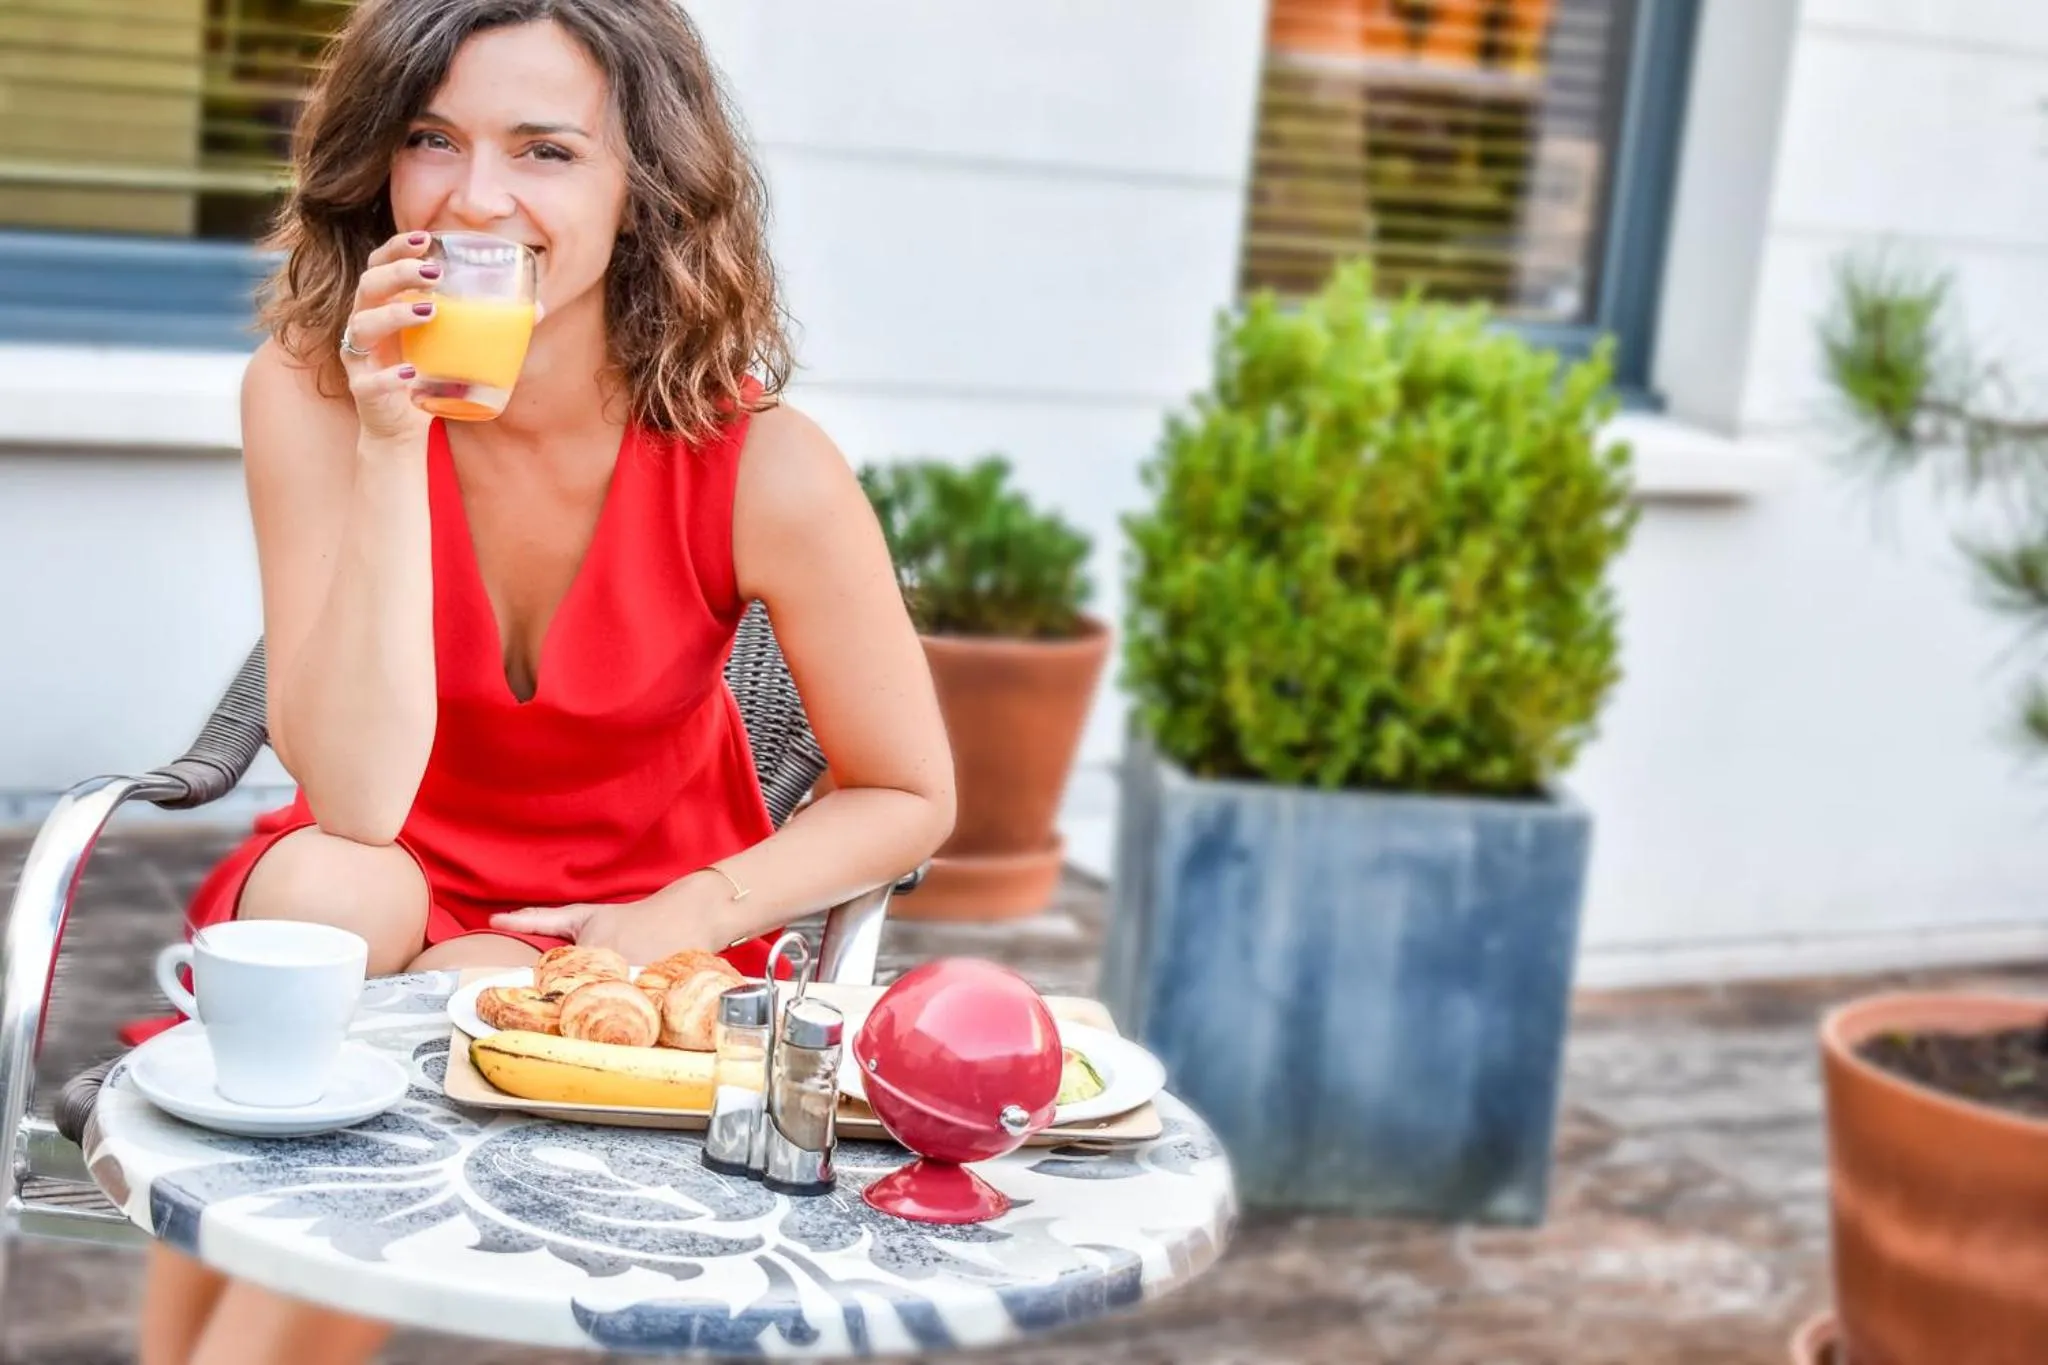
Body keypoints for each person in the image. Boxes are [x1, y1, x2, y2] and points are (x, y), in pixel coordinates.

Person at [137, 2, 955, 1363]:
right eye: (431, 139)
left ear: (645, 187)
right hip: (389, 867)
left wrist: (680, 911)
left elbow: (907, 790)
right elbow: (353, 792)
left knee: (384, 1018)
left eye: (546, 152)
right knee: (323, 890)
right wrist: (394, 444)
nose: (474, 196)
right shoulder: (310, 394)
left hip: (644, 915)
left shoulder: (763, 463)